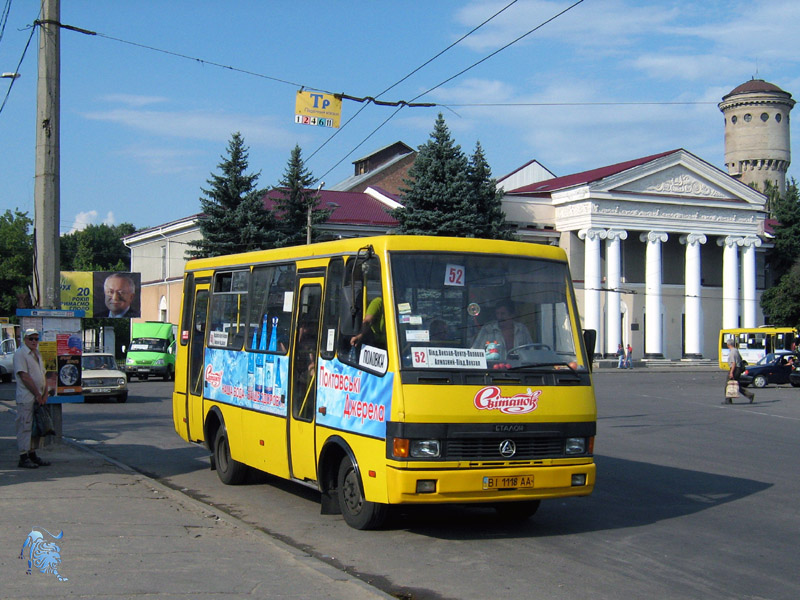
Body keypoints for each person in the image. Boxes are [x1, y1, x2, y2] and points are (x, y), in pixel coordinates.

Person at [13, 329, 51, 469]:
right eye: (31, 339)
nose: (34, 341)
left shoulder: (37, 353)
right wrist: (37, 394)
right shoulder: (21, 354)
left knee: (36, 428)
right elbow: (24, 376)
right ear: (25, 339)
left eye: (36, 338)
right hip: (27, 397)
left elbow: (43, 375)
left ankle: (32, 453)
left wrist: (45, 393)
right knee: (25, 426)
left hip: (38, 398)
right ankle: (23, 456)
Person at [724, 339, 754, 404]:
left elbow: (733, 363)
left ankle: (728, 400)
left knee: (728, 384)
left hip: (734, 369)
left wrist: (731, 372)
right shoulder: (736, 350)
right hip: (738, 369)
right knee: (736, 385)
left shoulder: (732, 352)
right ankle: (749, 395)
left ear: (728, 345)